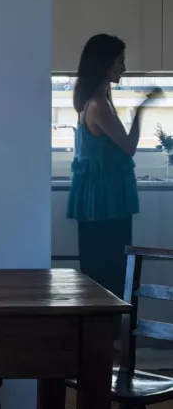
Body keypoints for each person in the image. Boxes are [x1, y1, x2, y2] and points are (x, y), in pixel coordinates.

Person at [67, 34, 162, 298]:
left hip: (99, 203)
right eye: (120, 61)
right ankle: (110, 324)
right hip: (106, 204)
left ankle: (105, 323)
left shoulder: (92, 101)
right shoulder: (99, 105)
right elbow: (129, 146)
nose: (124, 67)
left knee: (100, 273)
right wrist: (141, 110)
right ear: (104, 63)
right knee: (111, 272)